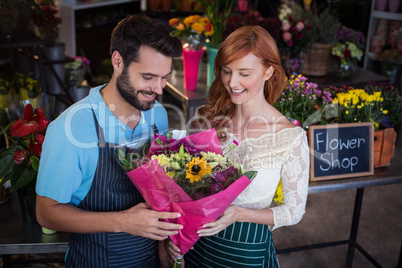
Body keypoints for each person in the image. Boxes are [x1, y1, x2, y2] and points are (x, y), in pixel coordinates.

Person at [36, 14, 184, 267]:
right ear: (118, 61)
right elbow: (46, 213)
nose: (159, 89)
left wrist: (162, 245)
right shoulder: (71, 128)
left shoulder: (156, 113)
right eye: (148, 77)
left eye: (164, 77)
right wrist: (123, 222)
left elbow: (160, 188)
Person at [167, 25, 310, 267]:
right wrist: (174, 237)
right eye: (226, 71)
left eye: (244, 73)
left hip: (245, 250)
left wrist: (240, 214)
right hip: (195, 242)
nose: (232, 82)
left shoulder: (290, 137)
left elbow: (293, 211)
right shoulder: (207, 118)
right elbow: (182, 186)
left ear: (268, 72)